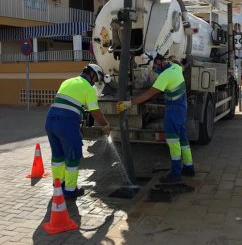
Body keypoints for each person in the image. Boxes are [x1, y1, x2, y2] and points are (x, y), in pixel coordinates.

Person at [116, 53, 194, 183]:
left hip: (173, 111)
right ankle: (189, 167)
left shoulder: (165, 76)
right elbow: (181, 66)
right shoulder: (175, 67)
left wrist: (130, 103)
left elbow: (149, 94)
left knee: (173, 142)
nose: (155, 70)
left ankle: (176, 174)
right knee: (183, 140)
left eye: (156, 67)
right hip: (181, 108)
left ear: (160, 63)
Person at [45, 64, 110, 199]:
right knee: (72, 157)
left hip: (50, 121)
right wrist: (105, 125)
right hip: (67, 124)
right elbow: (95, 112)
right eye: (96, 80)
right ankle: (70, 190)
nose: (95, 83)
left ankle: (58, 187)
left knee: (57, 157)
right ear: (93, 76)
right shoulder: (89, 89)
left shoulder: (67, 81)